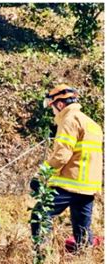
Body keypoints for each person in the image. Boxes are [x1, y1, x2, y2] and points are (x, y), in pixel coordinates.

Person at [31, 84, 103, 250]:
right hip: (88, 188)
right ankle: (83, 262)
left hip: (69, 183)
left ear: (60, 105)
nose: (53, 112)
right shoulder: (92, 123)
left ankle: (42, 256)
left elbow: (62, 155)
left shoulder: (69, 120)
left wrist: (41, 177)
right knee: (82, 231)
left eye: (53, 107)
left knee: (40, 215)